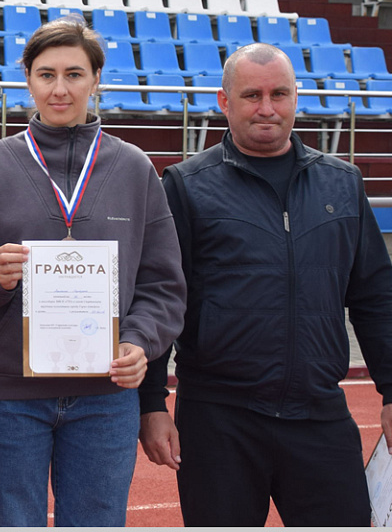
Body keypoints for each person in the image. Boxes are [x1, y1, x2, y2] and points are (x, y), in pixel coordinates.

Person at [0, 18, 186, 527]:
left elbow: (163, 285)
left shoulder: (135, 167)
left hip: (105, 397)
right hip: (8, 396)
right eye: (46, 74)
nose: (59, 88)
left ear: (97, 79)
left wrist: (138, 343)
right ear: (27, 79)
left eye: (74, 74)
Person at [138, 42, 392, 526]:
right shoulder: (185, 186)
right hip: (219, 421)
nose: (268, 108)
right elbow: (160, 301)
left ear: (297, 98)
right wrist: (151, 404)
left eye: (280, 94)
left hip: (319, 413)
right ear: (224, 101)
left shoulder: (344, 183)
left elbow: (376, 297)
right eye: (252, 95)